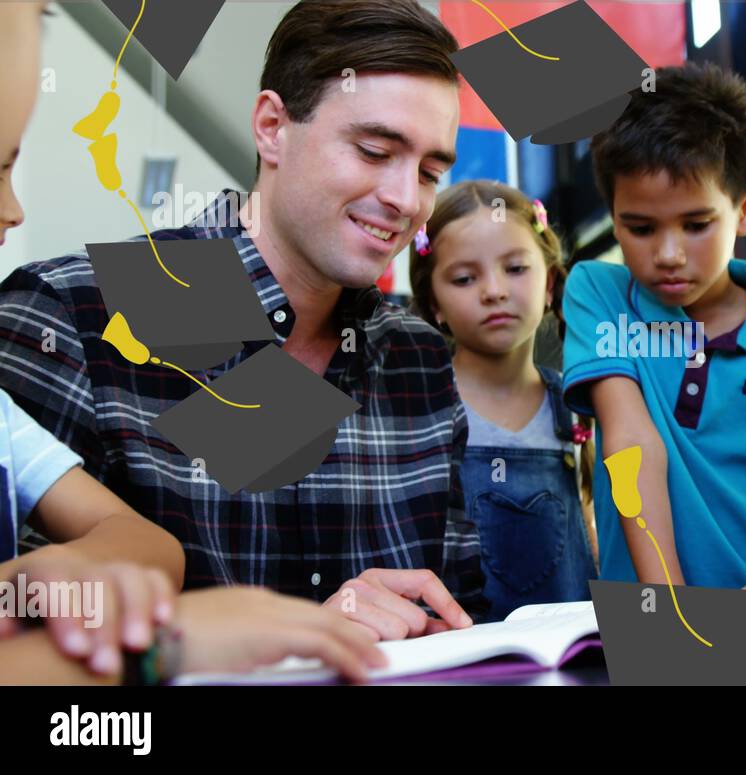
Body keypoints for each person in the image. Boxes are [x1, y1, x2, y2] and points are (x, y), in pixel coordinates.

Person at [0, 0, 485, 640]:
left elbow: (461, 615)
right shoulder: (74, 315)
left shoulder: (419, 359)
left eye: (429, 172)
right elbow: (28, 634)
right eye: (373, 151)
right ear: (271, 127)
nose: (404, 198)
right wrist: (301, 635)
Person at [562, 63, 746, 588]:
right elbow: (631, 443)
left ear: (745, 209)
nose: (668, 254)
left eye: (697, 225)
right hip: (652, 626)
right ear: (613, 216)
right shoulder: (599, 294)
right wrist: (671, 612)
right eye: (640, 228)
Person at [409, 181, 596, 622]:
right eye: (464, 278)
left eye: (515, 268)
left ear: (550, 282)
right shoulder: (419, 408)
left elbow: (592, 534)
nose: (493, 290)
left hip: (571, 659)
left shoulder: (579, 405)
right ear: (434, 302)